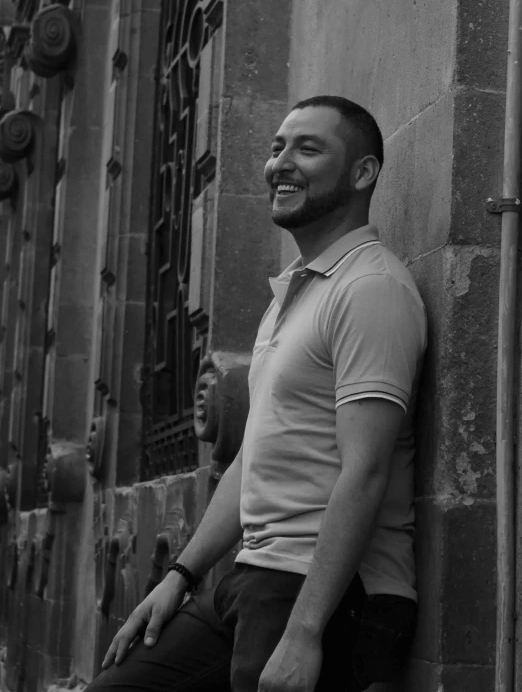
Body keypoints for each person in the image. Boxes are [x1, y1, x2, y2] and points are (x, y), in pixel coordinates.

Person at [86, 95, 427, 692]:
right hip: (250, 576)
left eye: (307, 148)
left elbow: (366, 470)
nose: (280, 163)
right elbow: (252, 458)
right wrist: (181, 574)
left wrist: (304, 632)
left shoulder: (371, 289)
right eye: (276, 148)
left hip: (323, 589)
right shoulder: (290, 297)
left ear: (363, 173)